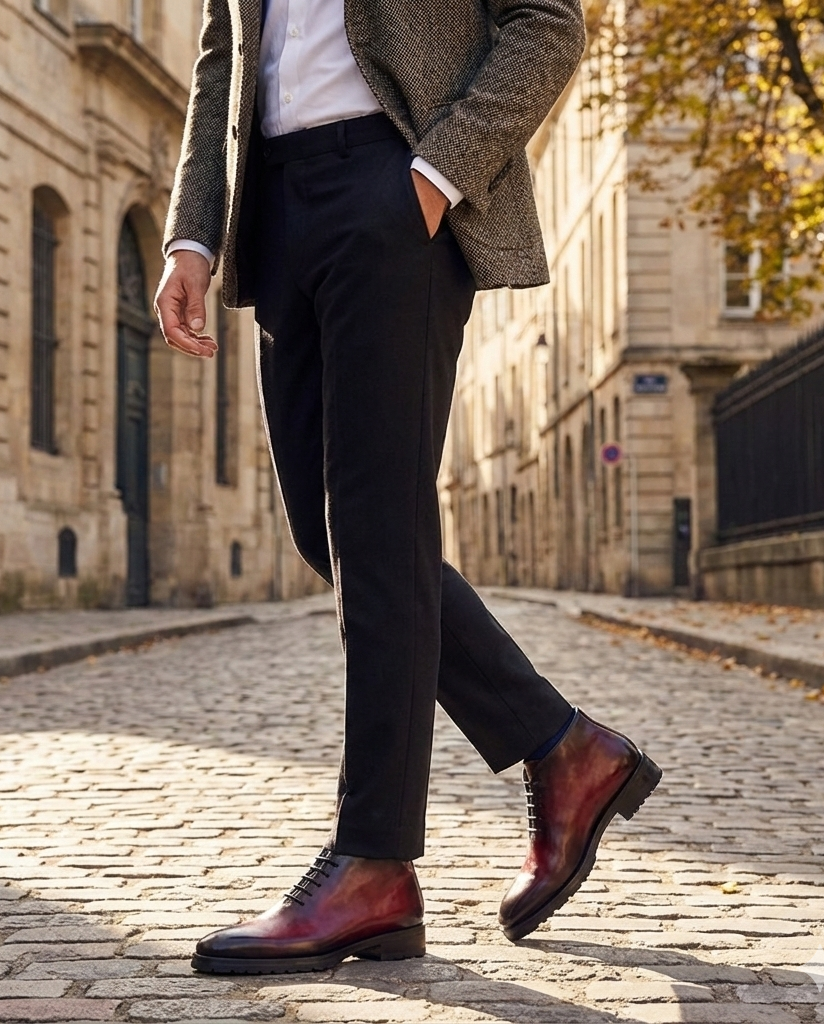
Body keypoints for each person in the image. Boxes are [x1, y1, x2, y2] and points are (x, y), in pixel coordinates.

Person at [154, 0, 662, 976]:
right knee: (330, 532)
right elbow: (223, 53)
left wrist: (436, 175)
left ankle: (374, 864)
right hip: (274, 205)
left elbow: (546, 22)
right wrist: (193, 236)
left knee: (377, 530)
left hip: (391, 181)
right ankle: (564, 750)